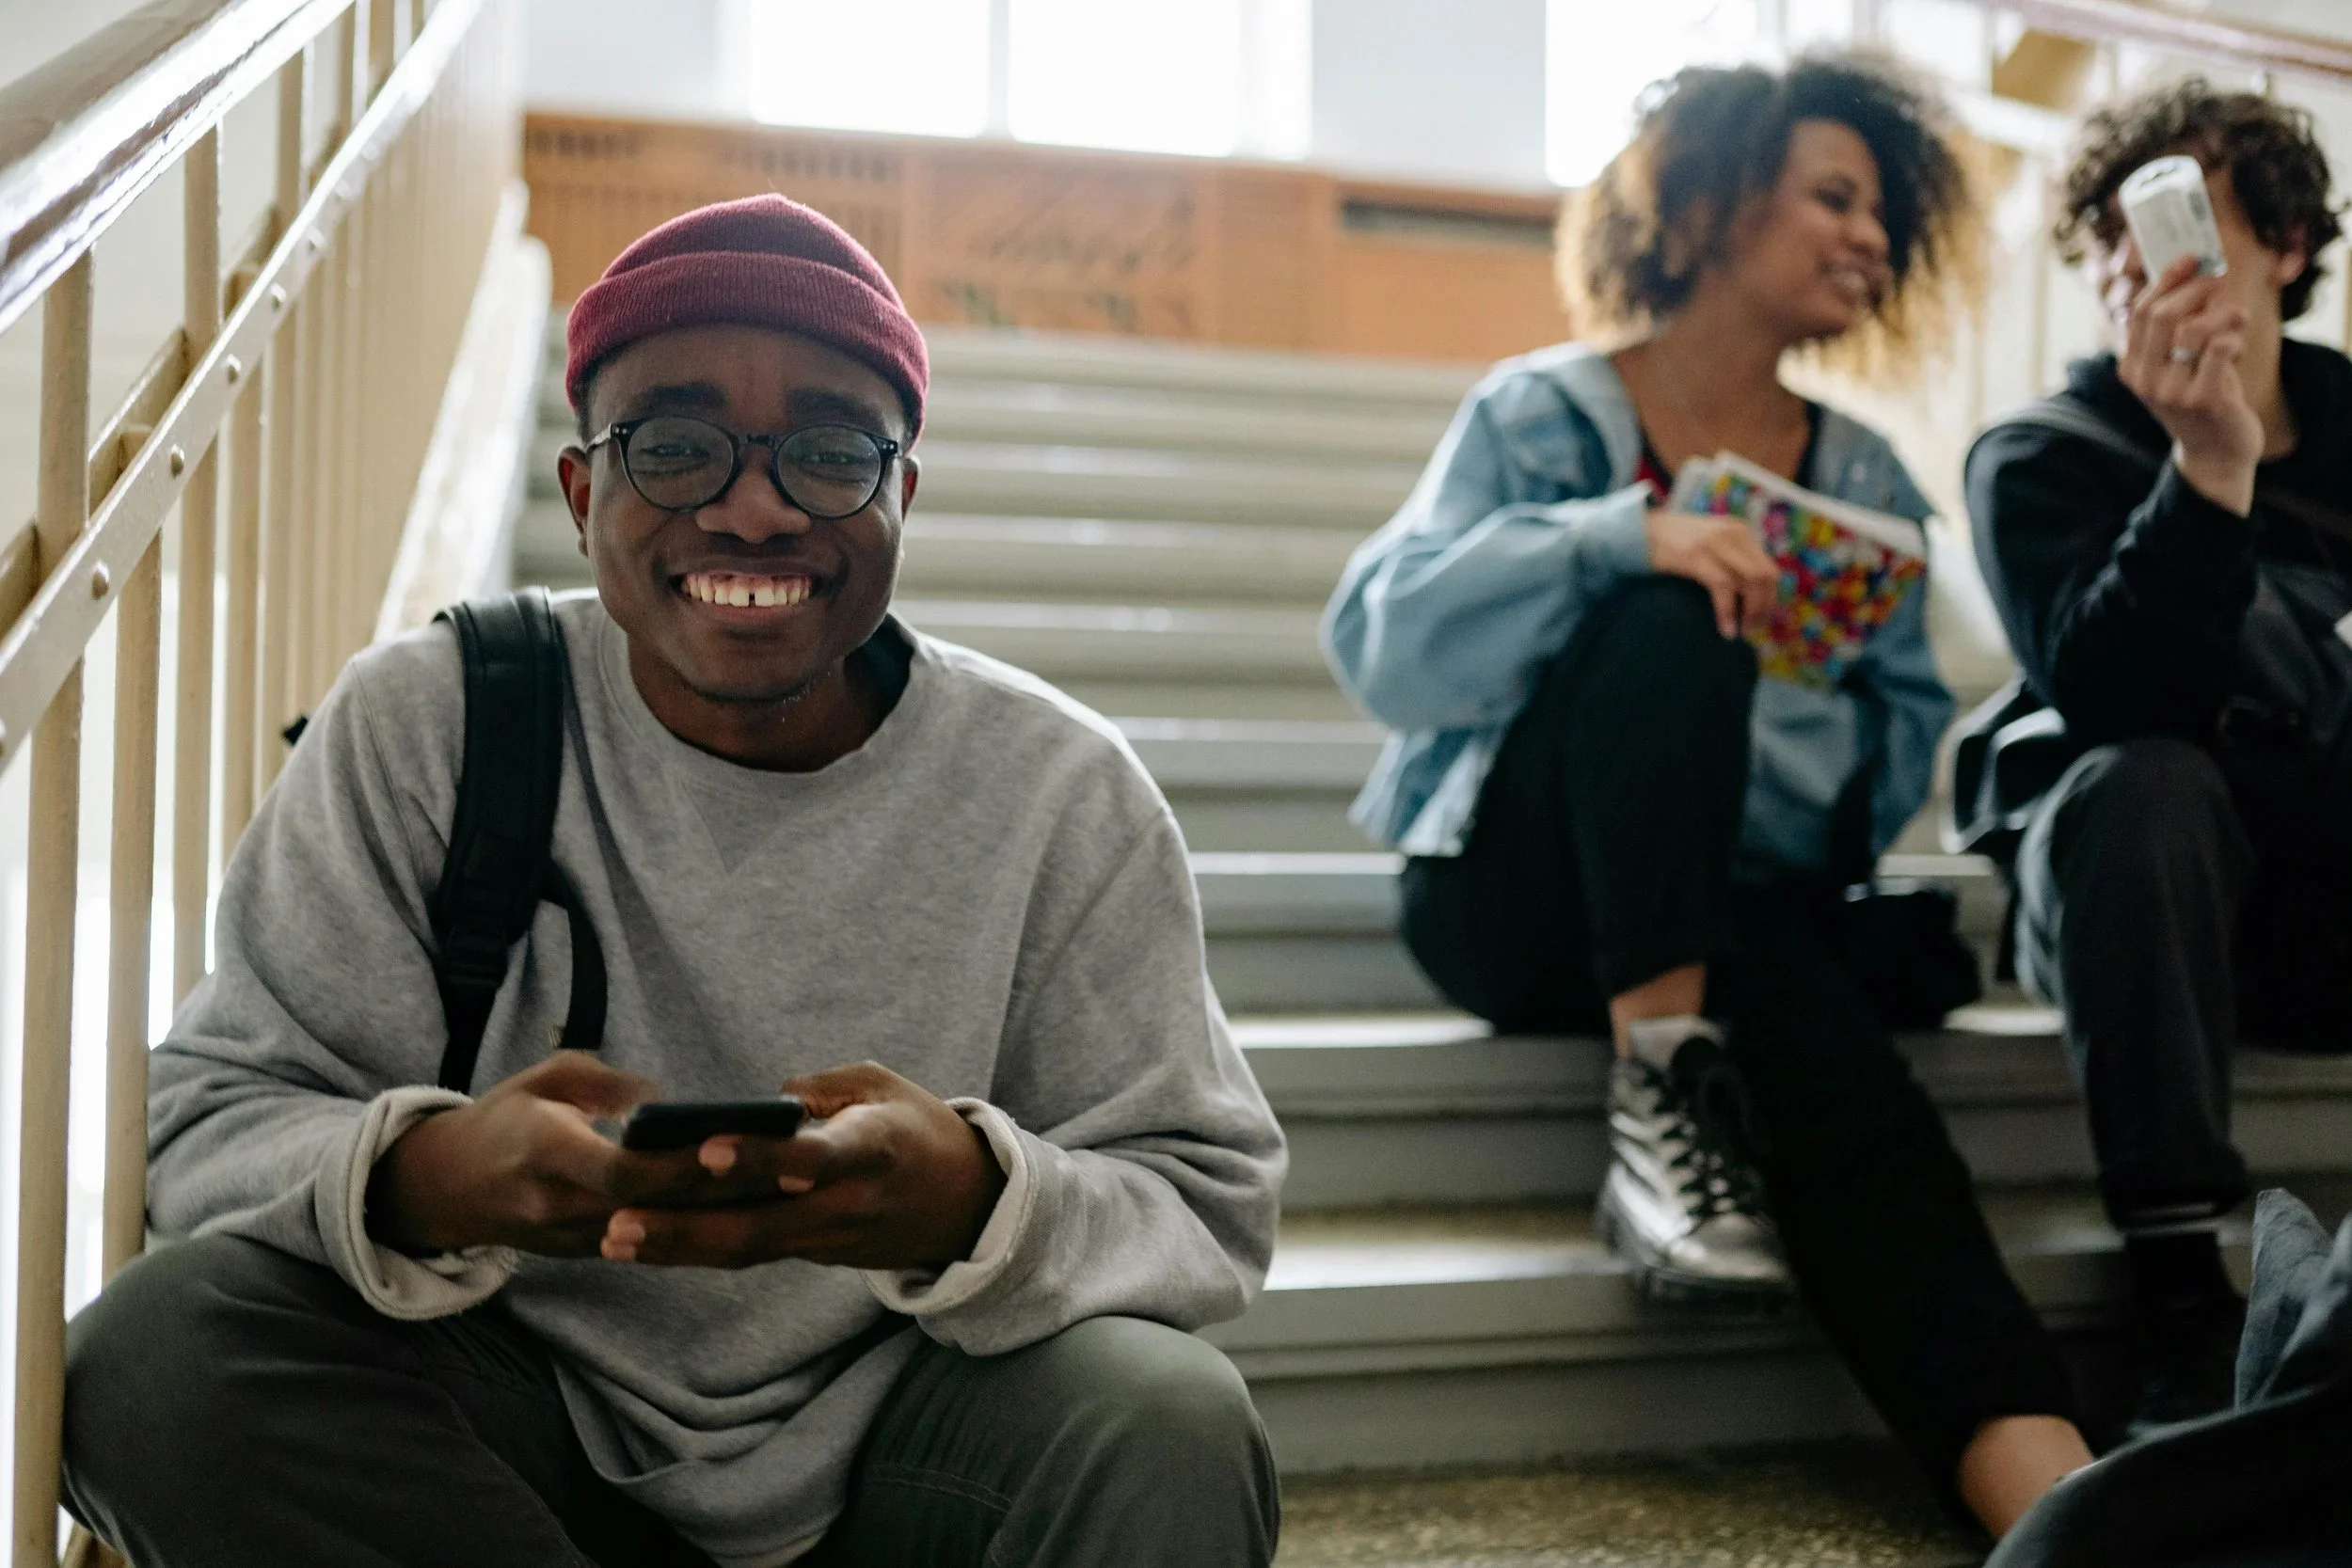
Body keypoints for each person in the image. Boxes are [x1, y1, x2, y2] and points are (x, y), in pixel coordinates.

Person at [60, 195, 1287, 1568]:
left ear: (902, 499)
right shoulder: (435, 721)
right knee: (158, 1355)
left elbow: (1202, 1200)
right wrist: (435, 1174)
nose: (753, 508)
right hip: (510, 1442)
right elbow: (214, 1113)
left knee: (1169, 1421)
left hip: (910, 1452)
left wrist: (974, 1198)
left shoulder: (1062, 790)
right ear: (584, 490)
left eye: (829, 450)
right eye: (677, 445)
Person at [1324, 55, 2091, 1534]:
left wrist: (1750, 726)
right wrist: (1623, 542)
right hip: (1516, 898)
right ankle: (1666, 1087)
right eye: (1834, 197)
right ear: (1714, 201)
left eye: (1884, 214)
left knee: (1853, 1099)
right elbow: (1383, 643)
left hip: (1734, 898)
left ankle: (2055, 1507)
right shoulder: (1538, 412)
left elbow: (1882, 775)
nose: (1869, 238)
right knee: (1670, 613)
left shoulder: (1868, 476)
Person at [1965, 79, 2352, 1438]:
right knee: (2142, 781)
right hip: (2145, 901)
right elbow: (2119, 697)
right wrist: (2205, 472)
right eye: (2112, 239)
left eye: (2174, 215)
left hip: (2325, 894)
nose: (2134, 261)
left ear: (2288, 246)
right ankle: (2183, 1300)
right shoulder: (2041, 455)